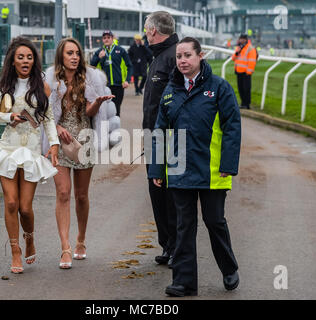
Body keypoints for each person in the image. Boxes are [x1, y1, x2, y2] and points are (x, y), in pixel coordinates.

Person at [148, 37, 241, 297]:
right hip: (179, 171)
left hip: (213, 172)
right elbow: (159, 132)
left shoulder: (219, 88)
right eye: (179, 57)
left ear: (201, 56)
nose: (182, 61)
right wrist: (157, 169)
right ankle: (184, 282)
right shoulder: (170, 91)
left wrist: (228, 164)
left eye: (187, 55)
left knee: (214, 221)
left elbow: (232, 128)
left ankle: (229, 268)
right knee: (183, 226)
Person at [0, 37, 60, 274]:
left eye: (29, 57)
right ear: (13, 61)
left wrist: (53, 144)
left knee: (25, 207)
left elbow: (49, 119)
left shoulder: (42, 86)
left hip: (31, 152)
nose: (25, 60)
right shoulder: (4, 86)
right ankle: (15, 251)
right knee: (11, 202)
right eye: (20, 57)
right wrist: (8, 117)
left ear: (34, 61)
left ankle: (30, 238)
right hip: (8, 150)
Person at [44, 38, 113, 269]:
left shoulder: (90, 79)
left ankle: (81, 240)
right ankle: (65, 248)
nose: (74, 57)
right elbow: (45, 113)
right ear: (61, 57)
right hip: (59, 142)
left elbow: (91, 111)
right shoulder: (50, 80)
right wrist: (57, 128)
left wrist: (99, 103)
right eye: (69, 53)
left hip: (84, 141)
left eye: (77, 53)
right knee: (63, 193)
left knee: (81, 196)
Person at [143, 11, 178, 268]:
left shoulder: (174, 57)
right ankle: (167, 245)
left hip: (169, 140)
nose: (145, 34)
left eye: (146, 30)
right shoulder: (158, 58)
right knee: (157, 194)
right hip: (152, 139)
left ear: (153, 30)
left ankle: (177, 246)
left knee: (171, 196)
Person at [90, 30, 133, 117]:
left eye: (108, 37)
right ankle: (105, 129)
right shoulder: (99, 52)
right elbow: (91, 66)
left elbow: (130, 66)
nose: (106, 40)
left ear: (112, 38)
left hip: (118, 86)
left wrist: (127, 80)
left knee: (116, 110)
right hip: (104, 86)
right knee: (104, 110)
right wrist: (98, 58)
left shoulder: (120, 51)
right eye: (104, 38)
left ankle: (115, 129)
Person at [231, 34, 257, 109]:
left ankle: (247, 104)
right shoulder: (239, 47)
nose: (241, 40)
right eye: (240, 39)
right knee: (240, 88)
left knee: (246, 89)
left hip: (246, 72)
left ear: (246, 39)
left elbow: (252, 61)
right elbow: (233, 58)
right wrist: (237, 52)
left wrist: (248, 72)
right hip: (239, 71)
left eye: (243, 39)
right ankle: (243, 103)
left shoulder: (250, 48)